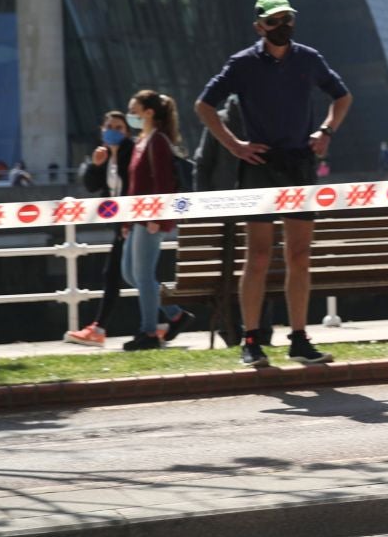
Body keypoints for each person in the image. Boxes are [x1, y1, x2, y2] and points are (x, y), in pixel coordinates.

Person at [194, 0, 352, 368]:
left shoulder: (308, 59)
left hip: (299, 164)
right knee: (259, 256)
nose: (282, 26)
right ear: (259, 27)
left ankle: (299, 338)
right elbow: (203, 105)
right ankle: (251, 340)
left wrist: (326, 131)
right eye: (274, 21)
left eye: (287, 19)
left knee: (299, 256)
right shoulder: (243, 64)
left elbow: (342, 97)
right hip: (259, 165)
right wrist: (234, 145)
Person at [193, 94, 275, 346]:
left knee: (225, 272)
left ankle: (229, 329)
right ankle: (262, 329)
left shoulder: (220, 122)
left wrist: (204, 205)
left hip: (224, 210)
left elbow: (202, 163)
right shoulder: (268, 121)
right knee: (261, 266)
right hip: (260, 207)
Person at [121, 90, 194, 351]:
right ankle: (175, 314)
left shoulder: (158, 141)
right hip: (137, 218)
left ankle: (149, 332)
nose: (131, 115)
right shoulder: (143, 140)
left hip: (150, 219)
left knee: (142, 275)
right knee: (130, 273)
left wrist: (156, 217)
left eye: (134, 111)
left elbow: (163, 182)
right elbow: (134, 186)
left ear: (148, 113)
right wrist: (127, 222)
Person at [66, 112, 136, 346]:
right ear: (102, 129)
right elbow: (91, 186)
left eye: (119, 127)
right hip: (121, 224)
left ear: (127, 131)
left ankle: (99, 328)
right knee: (134, 275)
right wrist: (95, 166)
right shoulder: (104, 156)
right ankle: (172, 317)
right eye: (109, 126)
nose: (113, 131)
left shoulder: (132, 152)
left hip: (132, 222)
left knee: (116, 275)